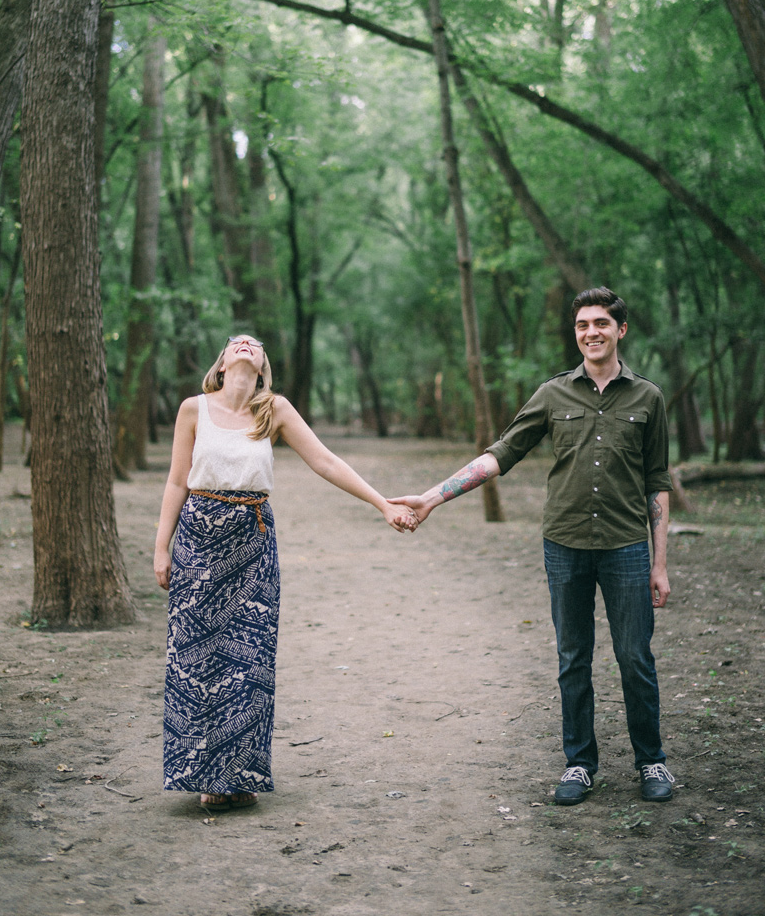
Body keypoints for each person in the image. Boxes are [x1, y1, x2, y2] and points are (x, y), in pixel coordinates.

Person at [392, 287, 675, 805]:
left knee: (634, 657)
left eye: (601, 324)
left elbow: (657, 482)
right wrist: (433, 498)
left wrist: (660, 563)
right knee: (573, 658)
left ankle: (651, 762)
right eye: (582, 325)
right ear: (576, 333)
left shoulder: (648, 398)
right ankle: (579, 765)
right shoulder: (552, 394)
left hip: (627, 547)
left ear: (621, 330)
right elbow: (500, 454)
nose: (591, 332)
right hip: (564, 546)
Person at [154, 333, 417, 813]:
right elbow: (176, 478)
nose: (245, 343)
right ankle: (205, 774)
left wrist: (382, 504)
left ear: (262, 367)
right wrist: (160, 547)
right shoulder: (194, 408)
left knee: (249, 661)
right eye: (236, 341)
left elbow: (325, 461)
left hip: (252, 543)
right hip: (198, 539)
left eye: (253, 344)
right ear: (222, 362)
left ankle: (240, 775)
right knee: (197, 657)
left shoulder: (272, 409)